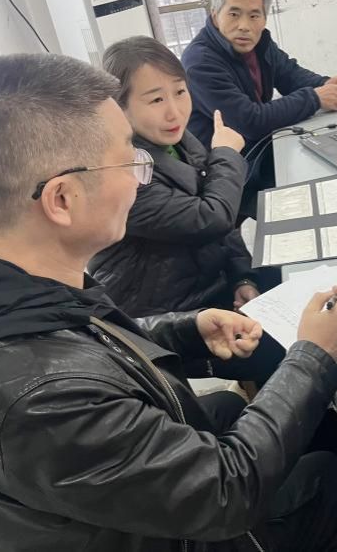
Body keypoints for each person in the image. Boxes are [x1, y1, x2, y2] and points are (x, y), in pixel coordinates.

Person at [0, 53, 337, 552]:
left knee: (229, 405)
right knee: (330, 483)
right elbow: (227, 492)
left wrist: (188, 328)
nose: (141, 177)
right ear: (62, 199)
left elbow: (78, 339)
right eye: (131, 161)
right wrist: (313, 357)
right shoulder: (40, 402)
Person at [88, 36, 288, 387]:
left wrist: (243, 279)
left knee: (288, 272)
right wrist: (227, 154)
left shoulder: (177, 140)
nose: (174, 111)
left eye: (180, 92)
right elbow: (211, 217)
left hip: (208, 283)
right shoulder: (125, 173)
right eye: (156, 99)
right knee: (283, 345)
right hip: (167, 322)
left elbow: (225, 223)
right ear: (119, 108)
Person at [181, 0, 337, 212]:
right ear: (215, 14)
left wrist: (325, 85)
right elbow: (250, 121)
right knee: (312, 195)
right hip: (229, 175)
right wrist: (315, 98)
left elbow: (290, 74)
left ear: (264, 18)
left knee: (334, 164)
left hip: (260, 149)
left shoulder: (259, 42)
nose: (244, 26)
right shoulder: (200, 62)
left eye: (254, 15)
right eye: (234, 14)